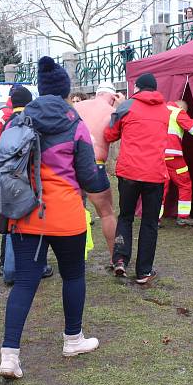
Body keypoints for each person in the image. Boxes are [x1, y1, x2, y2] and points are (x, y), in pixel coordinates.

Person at [0, 56, 109, 380]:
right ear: (65, 92)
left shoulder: (19, 121)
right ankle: (72, 339)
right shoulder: (74, 123)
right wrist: (103, 186)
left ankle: (9, 355)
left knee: (24, 283)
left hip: (25, 213)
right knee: (73, 276)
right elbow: (89, 176)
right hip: (66, 216)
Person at [104, 73, 169, 285]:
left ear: (138, 88)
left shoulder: (127, 106)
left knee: (126, 217)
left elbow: (110, 135)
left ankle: (120, 259)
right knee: (150, 223)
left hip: (130, 172)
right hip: (155, 173)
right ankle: (144, 271)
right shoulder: (165, 109)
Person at [0, 86, 54, 284]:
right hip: (25, 181)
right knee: (30, 222)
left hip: (3, 179)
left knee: (7, 221)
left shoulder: (4, 121)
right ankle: (34, 265)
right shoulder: (30, 122)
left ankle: (5, 264)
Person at [73, 82, 123, 259]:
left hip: (71, 164)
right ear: (112, 96)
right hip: (95, 163)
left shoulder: (76, 106)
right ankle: (115, 258)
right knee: (107, 213)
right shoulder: (112, 112)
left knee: (75, 210)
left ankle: (76, 255)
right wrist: (120, 107)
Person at [160, 100, 193, 227]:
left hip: (157, 157)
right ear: (182, 108)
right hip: (174, 157)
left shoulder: (159, 110)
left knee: (160, 187)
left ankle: (154, 218)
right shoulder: (177, 112)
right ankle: (183, 217)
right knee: (185, 184)